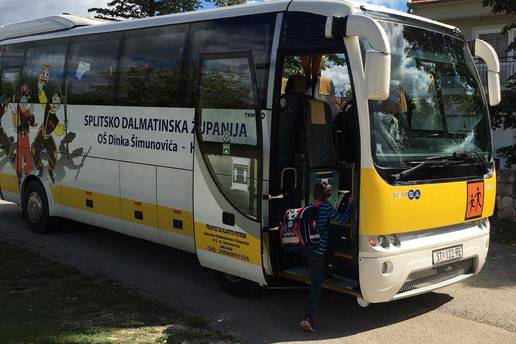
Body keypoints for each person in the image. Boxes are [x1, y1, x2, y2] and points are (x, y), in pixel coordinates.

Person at [300, 181, 353, 332]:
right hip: (318, 251)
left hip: (306, 249)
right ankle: (307, 318)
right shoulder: (326, 207)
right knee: (316, 286)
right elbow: (343, 220)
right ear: (327, 197)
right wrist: (350, 205)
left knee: (317, 274)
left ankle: (325, 273)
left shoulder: (309, 206)